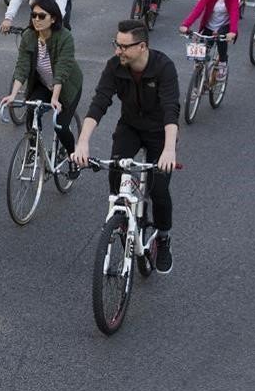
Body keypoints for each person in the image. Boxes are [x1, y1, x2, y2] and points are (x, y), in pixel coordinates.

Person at [72, 20, 179, 274]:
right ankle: (121, 220)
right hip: (130, 127)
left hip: (159, 132)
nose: (117, 51)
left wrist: (169, 150)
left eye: (123, 46)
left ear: (142, 46)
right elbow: (99, 103)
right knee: (115, 172)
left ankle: (163, 239)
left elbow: (171, 110)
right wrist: (83, 142)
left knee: (160, 189)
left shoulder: (163, 67)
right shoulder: (114, 67)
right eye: (116, 45)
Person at [0, 0, 82, 157]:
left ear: (53, 19)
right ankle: (34, 149)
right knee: (32, 111)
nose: (36, 19)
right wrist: (13, 94)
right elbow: (22, 66)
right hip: (44, 84)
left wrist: (55, 98)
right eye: (33, 15)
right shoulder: (29, 36)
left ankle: (73, 157)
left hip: (67, 87)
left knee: (60, 126)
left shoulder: (64, 37)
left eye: (41, 16)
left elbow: (62, 70)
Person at [178, 0, 240, 80]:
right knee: (200, 57)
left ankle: (222, 63)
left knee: (221, 40)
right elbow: (197, 10)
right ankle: (196, 88)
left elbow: (235, 13)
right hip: (209, 26)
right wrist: (185, 25)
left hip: (225, 27)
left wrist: (233, 31)